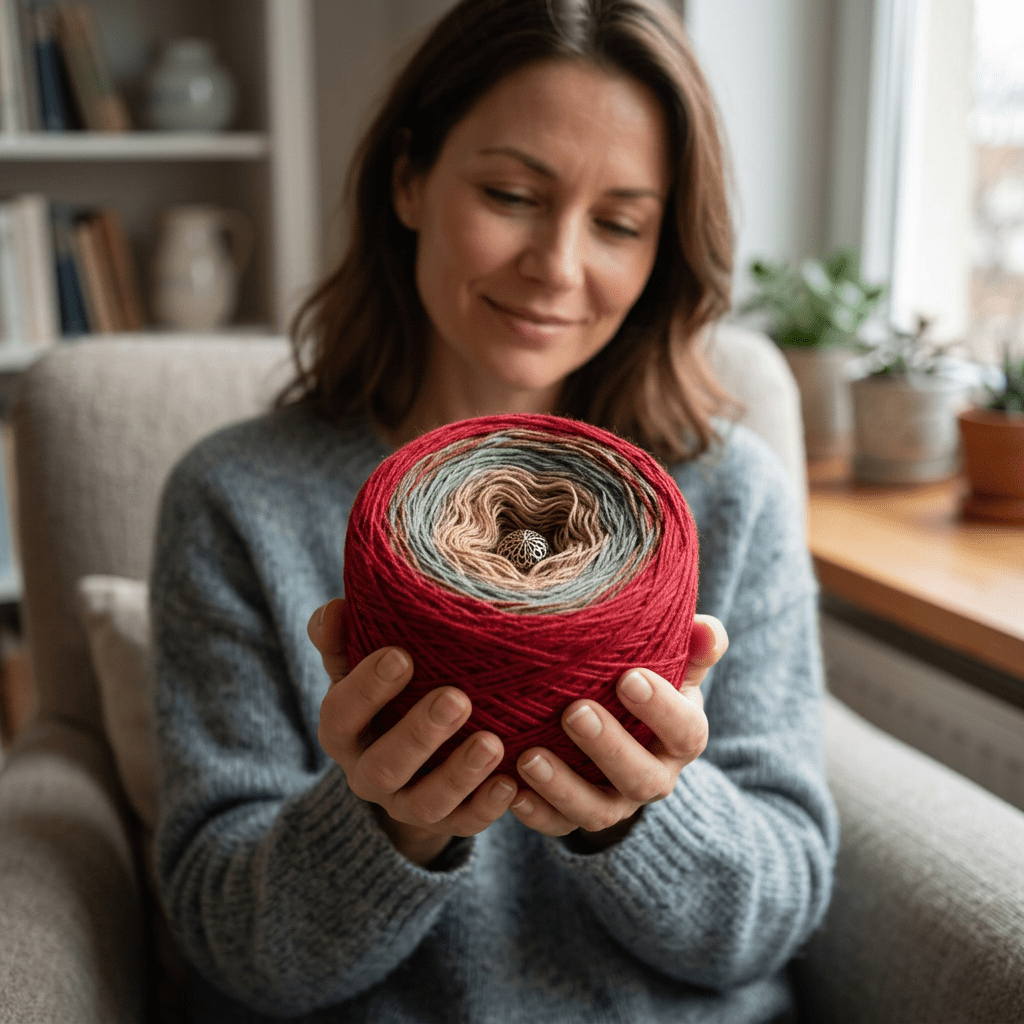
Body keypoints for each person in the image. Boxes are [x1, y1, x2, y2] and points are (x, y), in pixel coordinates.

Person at [149, 0, 839, 1021]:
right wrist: (388, 825)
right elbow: (232, 941)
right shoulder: (238, 500)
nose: (557, 265)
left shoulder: (728, 495)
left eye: (619, 223)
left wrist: (644, 809)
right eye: (511, 194)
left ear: (661, 249)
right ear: (409, 179)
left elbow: (777, 910)